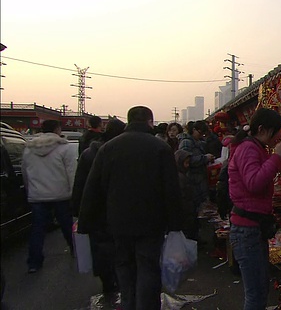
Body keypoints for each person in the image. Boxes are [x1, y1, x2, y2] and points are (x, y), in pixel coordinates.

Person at [78, 106, 181, 310]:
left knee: (123, 266)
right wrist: (177, 224)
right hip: (151, 223)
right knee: (148, 268)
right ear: (150, 122)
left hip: (117, 222)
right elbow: (171, 189)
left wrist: (85, 222)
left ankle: (128, 304)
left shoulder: (109, 148)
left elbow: (93, 187)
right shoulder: (160, 148)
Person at [228, 108, 281, 310]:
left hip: (252, 227)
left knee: (260, 289)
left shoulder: (255, 147)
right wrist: (276, 157)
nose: (279, 137)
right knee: (256, 294)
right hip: (247, 229)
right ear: (262, 129)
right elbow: (254, 183)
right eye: (277, 132)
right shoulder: (248, 149)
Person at [71, 118, 126, 297]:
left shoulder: (89, 153)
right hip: (117, 207)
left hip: (95, 207)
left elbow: (80, 184)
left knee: (100, 247)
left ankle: (108, 282)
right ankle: (118, 280)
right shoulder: (122, 152)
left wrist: (78, 210)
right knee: (118, 246)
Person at [21, 119, 77, 273]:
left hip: (37, 195)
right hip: (61, 194)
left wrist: (29, 190)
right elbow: (71, 173)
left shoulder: (29, 148)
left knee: (37, 229)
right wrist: (74, 194)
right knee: (67, 226)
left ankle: (34, 263)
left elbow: (25, 172)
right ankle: (76, 251)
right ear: (58, 130)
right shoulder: (65, 148)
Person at [179, 120, 214, 210]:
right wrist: (205, 158)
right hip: (192, 179)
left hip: (199, 178)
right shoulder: (187, 142)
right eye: (200, 133)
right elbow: (186, 160)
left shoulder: (198, 142)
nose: (201, 135)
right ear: (194, 129)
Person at [174, 149, 199, 241]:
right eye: (186, 163)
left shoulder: (182, 176)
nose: (188, 165)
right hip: (185, 215)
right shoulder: (179, 178)